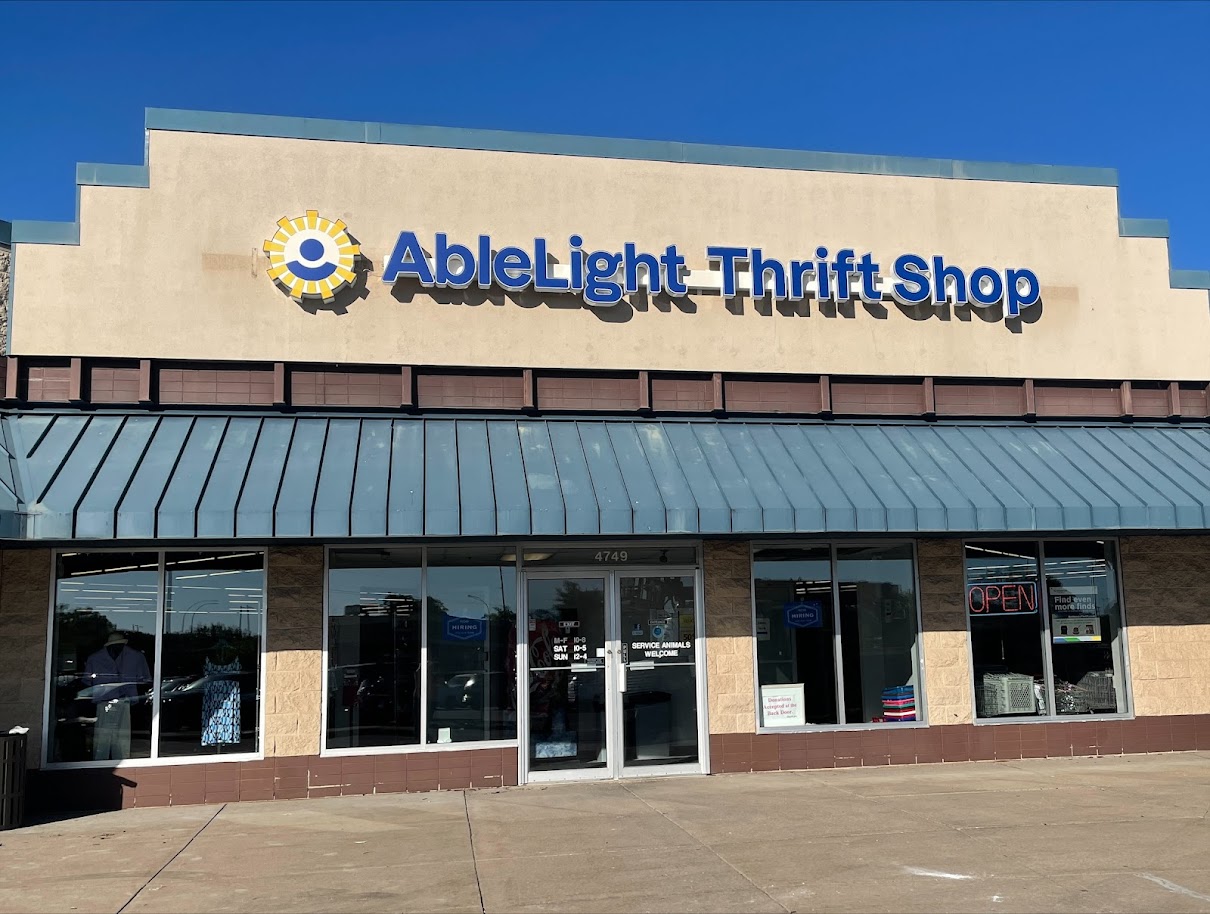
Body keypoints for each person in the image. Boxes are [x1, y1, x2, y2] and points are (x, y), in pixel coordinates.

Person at [83, 632, 151, 760]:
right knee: (103, 737)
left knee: (122, 737)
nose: (117, 648)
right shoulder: (95, 658)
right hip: (104, 702)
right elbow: (87, 681)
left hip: (125, 700)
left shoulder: (136, 657)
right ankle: (100, 763)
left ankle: (121, 761)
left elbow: (144, 680)